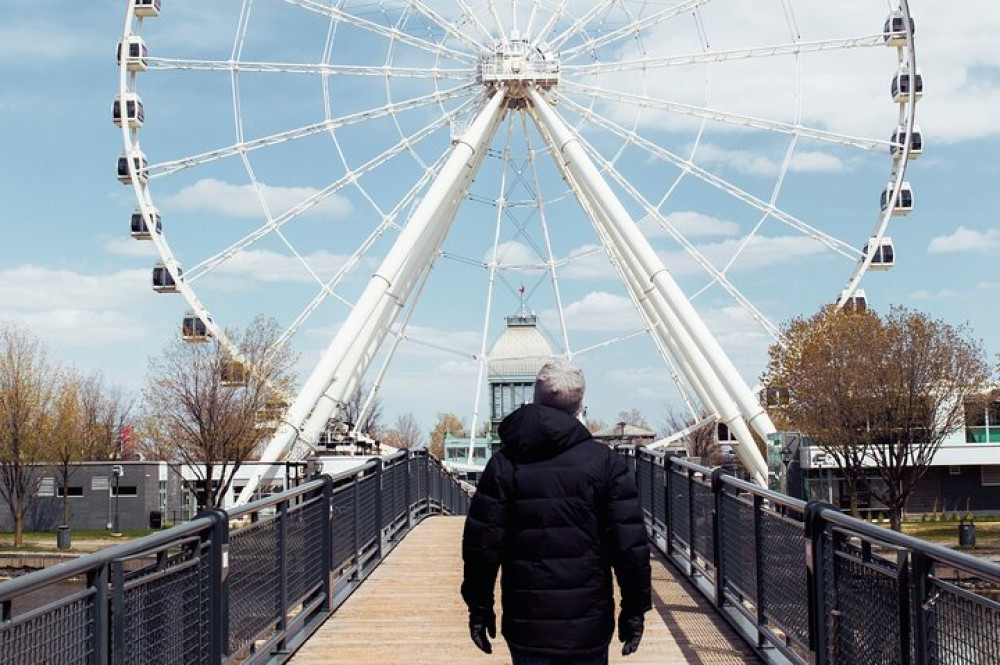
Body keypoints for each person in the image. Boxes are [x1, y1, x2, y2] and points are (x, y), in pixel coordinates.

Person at [461, 358, 651, 664]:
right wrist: (635, 609)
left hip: (527, 623)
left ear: (535, 398)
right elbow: (629, 547)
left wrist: (480, 607)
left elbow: (482, 546)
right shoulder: (606, 464)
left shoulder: (504, 465)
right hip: (588, 624)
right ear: (579, 406)